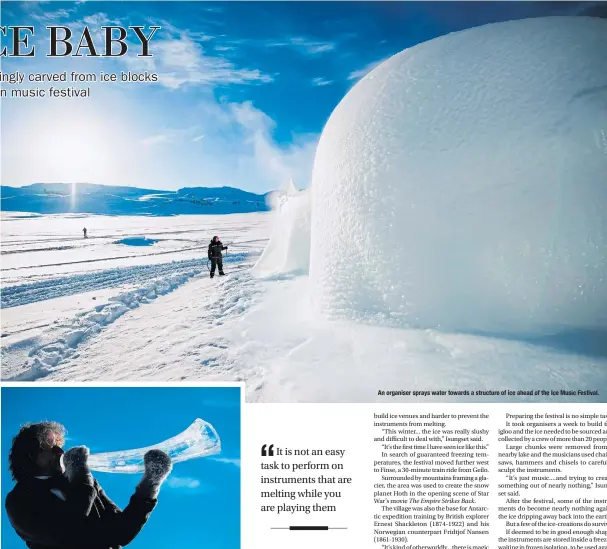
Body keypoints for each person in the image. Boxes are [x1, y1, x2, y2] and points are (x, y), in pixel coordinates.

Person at [5, 421, 172, 549]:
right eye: (50, 447)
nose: (61, 452)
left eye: (59, 446)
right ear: (31, 455)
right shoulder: (18, 500)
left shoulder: (82, 482)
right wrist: (82, 477)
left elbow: (120, 532)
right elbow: (67, 533)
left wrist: (150, 485)